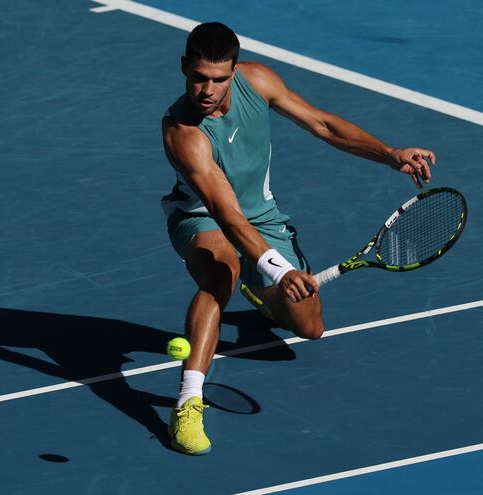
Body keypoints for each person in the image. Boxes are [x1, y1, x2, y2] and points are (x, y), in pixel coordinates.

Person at [161, 22, 435, 455]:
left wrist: (390, 155)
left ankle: (262, 292)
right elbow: (227, 216)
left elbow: (323, 125)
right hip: (203, 220)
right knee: (220, 273)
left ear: (234, 71)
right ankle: (188, 404)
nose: (207, 89)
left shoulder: (260, 81)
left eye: (218, 78)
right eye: (198, 77)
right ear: (184, 69)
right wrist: (279, 267)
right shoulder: (183, 133)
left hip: (264, 218)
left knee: (309, 328)